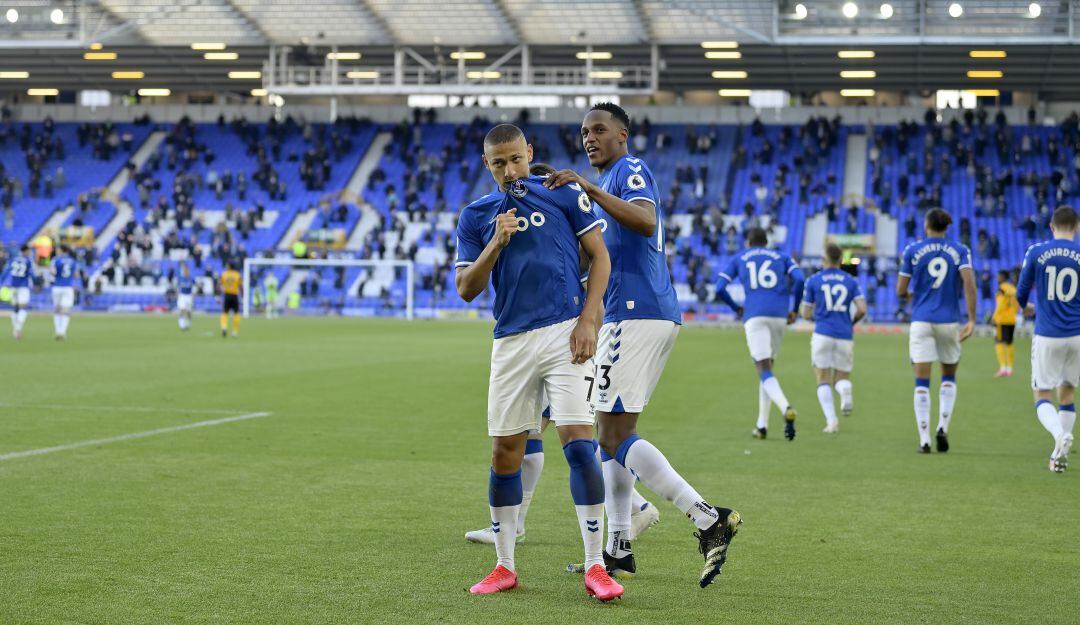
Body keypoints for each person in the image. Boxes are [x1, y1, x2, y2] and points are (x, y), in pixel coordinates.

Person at [544, 103, 741, 589]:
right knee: (613, 435)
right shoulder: (607, 186)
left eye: (599, 130)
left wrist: (587, 188)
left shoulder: (627, 171)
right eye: (584, 132)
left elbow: (646, 221)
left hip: (637, 312)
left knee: (607, 438)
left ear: (623, 135)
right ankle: (618, 549)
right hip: (637, 312)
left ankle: (707, 516)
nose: (590, 138)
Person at [455, 124, 622, 600]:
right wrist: (495, 244)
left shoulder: (563, 194)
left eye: (516, 159)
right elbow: (467, 289)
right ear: (487, 165)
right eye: (499, 163)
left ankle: (596, 565)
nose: (510, 170)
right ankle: (504, 565)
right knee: (505, 453)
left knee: (577, 444)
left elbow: (600, 257)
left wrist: (589, 319)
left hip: (563, 332)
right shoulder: (477, 216)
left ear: (530, 153)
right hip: (510, 341)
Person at [464, 162, 659, 548]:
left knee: (574, 437)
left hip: (569, 342)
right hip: (540, 338)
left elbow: (597, 284)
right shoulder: (510, 226)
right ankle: (518, 523)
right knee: (537, 434)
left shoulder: (570, 232)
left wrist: (588, 329)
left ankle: (632, 510)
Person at [896, 208, 977, 454]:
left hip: (922, 320)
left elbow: (900, 291)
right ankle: (942, 426)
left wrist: (916, 295)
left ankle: (924, 440)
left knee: (922, 382)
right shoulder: (960, 250)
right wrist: (972, 319)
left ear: (926, 225)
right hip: (949, 321)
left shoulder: (912, 250)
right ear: (946, 227)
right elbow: (969, 284)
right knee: (948, 377)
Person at [716, 227, 805, 441]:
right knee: (768, 371)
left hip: (755, 315)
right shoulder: (781, 256)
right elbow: (800, 279)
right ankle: (762, 425)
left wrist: (736, 309)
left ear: (748, 242)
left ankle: (786, 408)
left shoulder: (740, 257)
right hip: (779, 316)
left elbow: (719, 287)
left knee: (763, 369)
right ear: (766, 242)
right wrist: (795, 309)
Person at [1016, 205, 1079, 472]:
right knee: (1067, 391)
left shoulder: (1037, 251)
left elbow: (1021, 292)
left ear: (1052, 227)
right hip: (1077, 335)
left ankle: (1058, 437)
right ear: (1076, 228)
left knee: (1042, 393)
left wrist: (1028, 307)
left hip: (1047, 333)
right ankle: (1057, 458)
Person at [800, 244, 867, 433]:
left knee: (822, 378)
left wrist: (818, 317)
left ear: (825, 259)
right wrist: (850, 322)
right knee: (841, 378)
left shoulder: (814, 280)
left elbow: (805, 313)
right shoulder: (850, 281)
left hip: (822, 333)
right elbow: (862, 308)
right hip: (845, 334)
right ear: (840, 260)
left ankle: (832, 421)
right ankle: (844, 388)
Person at [992, 269, 1019, 377]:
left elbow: (1001, 304)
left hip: (1001, 319)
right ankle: (1010, 368)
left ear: (1003, 277)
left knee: (998, 342)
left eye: (999, 276)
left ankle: (1003, 368)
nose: (997, 278)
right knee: (1009, 343)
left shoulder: (1001, 289)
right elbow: (1017, 303)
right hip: (1012, 319)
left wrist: (994, 316)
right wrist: (1013, 313)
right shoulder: (1013, 289)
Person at [5, 245, 34, 339]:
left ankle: (15, 330)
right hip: (23, 286)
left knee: (15, 308)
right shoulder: (28, 261)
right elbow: (31, 274)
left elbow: (6, 271)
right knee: (23, 308)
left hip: (13, 286)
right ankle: (18, 329)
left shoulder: (13, 259)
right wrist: (37, 280)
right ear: (25, 251)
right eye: (29, 251)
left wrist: (2, 282)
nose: (29, 253)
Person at [50, 245, 77, 340]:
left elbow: (52, 272)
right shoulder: (72, 261)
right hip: (67, 287)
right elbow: (76, 274)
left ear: (62, 250)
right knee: (66, 311)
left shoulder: (55, 260)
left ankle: (57, 331)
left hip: (57, 287)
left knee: (57, 310)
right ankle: (62, 332)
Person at [219, 263, 242, 338]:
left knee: (224, 312)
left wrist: (218, 294)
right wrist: (243, 295)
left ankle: (224, 327)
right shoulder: (237, 275)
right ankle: (235, 332)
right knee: (236, 313)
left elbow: (219, 284)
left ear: (229, 266)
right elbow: (241, 286)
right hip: (234, 295)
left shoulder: (224, 274)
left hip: (227, 295)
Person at [177, 263, 195, 331]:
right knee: (182, 310)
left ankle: (188, 324)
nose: (185, 272)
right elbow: (178, 288)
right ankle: (182, 325)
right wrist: (178, 295)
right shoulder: (181, 279)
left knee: (188, 312)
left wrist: (193, 295)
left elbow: (195, 287)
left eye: (186, 270)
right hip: (182, 296)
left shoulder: (191, 279)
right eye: (184, 271)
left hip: (189, 296)